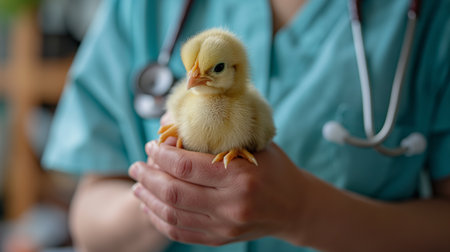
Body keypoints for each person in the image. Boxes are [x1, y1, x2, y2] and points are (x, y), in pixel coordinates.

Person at [42, 0, 450, 251]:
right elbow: (89, 223)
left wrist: (302, 211)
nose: (195, 80)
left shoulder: (433, 15)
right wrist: (167, 198)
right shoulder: (140, 7)